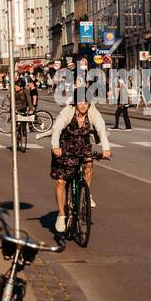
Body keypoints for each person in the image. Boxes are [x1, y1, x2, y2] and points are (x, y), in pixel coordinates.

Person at [50, 99, 111, 232]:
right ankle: (61, 215)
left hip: (82, 147)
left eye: (86, 103)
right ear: (75, 104)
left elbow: (101, 129)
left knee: (89, 162)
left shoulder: (93, 113)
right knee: (61, 182)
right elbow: (57, 128)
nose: (83, 105)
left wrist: (106, 148)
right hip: (64, 148)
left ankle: (86, 193)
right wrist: (55, 147)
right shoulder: (67, 112)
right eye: (80, 102)